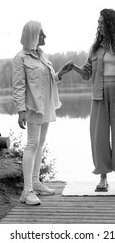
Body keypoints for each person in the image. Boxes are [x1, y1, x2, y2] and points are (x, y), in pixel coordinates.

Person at [69, 9, 115, 192]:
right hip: (99, 98)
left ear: (111, 23)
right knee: (99, 137)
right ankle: (103, 178)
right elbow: (87, 73)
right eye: (98, 22)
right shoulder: (96, 48)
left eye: (102, 22)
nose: (99, 25)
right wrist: (74, 68)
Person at [12, 20, 72, 205]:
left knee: (40, 144)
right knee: (32, 144)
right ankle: (27, 190)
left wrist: (60, 73)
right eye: (41, 34)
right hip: (32, 107)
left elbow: (47, 81)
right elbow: (18, 86)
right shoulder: (20, 58)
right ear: (32, 36)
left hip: (46, 106)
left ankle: (36, 183)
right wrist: (21, 110)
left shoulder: (42, 56)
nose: (45, 37)